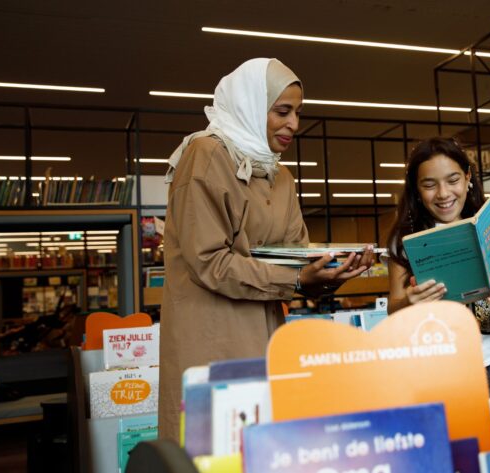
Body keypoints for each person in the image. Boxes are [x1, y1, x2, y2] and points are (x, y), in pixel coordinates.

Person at [158, 58, 374, 441]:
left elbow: (294, 256)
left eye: (298, 113)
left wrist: (328, 273)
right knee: (214, 448)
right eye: (282, 111)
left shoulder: (280, 175)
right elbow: (208, 262)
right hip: (211, 338)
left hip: (266, 333)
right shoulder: (206, 155)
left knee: (262, 447)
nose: (294, 124)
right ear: (250, 106)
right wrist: (295, 277)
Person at [386, 137, 490, 397]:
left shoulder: (489, 231)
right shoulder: (404, 241)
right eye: (429, 185)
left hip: (485, 368)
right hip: (429, 372)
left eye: (453, 180)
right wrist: (408, 304)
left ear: (468, 177)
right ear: (416, 189)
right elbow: (393, 310)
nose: (444, 193)